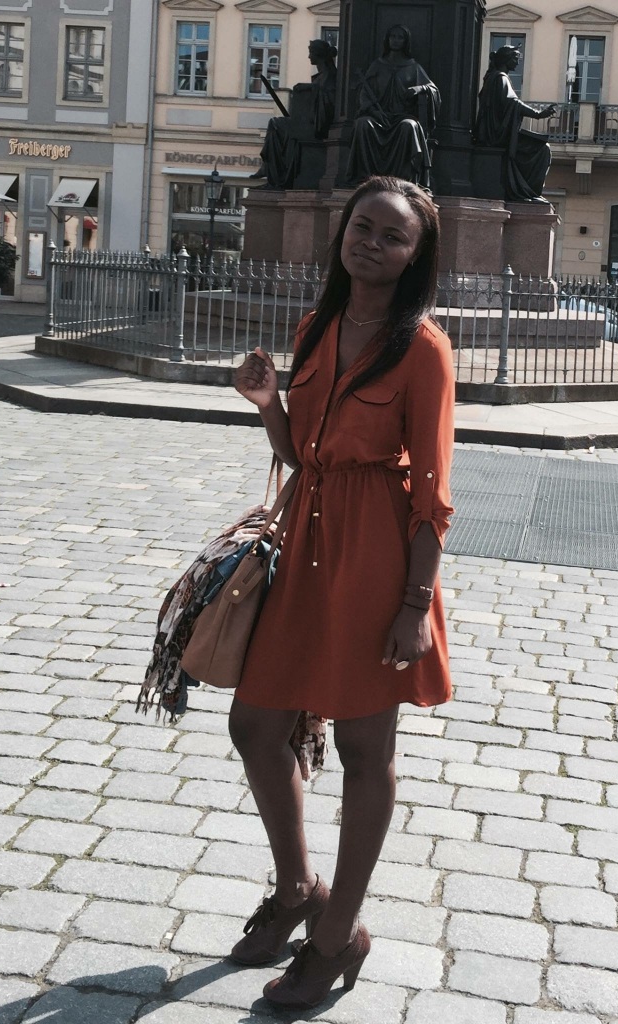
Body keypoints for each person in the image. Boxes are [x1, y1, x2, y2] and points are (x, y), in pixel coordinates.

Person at [229, 175, 455, 1009]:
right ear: (342, 232)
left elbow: (432, 491)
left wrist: (413, 607)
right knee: (255, 723)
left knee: (365, 751)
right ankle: (297, 891)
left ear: (414, 256)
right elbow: (301, 454)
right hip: (308, 541)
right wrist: (266, 403)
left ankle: (335, 937)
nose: (372, 243)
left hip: (376, 559)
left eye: (392, 236)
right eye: (363, 226)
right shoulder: (316, 325)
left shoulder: (422, 348)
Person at [345, 25, 440, 188]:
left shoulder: (413, 67)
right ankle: (365, 178)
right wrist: (373, 111)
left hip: (402, 117)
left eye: (400, 37)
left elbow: (433, 90)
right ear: (387, 40)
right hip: (378, 116)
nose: (395, 40)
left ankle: (404, 180)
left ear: (406, 42)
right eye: (393, 37)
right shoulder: (377, 65)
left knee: (408, 126)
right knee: (362, 124)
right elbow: (364, 94)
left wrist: (420, 88)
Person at [473, 46, 555, 201]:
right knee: (542, 149)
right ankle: (527, 191)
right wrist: (538, 114)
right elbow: (513, 103)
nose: (517, 62)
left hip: (497, 133)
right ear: (506, 59)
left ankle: (526, 189)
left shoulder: (494, 77)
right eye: (515, 58)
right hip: (498, 136)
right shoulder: (500, 78)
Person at [254, 39, 337, 189]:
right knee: (278, 126)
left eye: (311, 53)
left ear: (319, 54)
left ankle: (270, 171)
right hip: (308, 121)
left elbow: (328, 99)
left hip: (317, 125)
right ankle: (270, 170)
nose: (309, 57)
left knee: (276, 124)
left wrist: (308, 88)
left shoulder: (330, 75)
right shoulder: (321, 76)